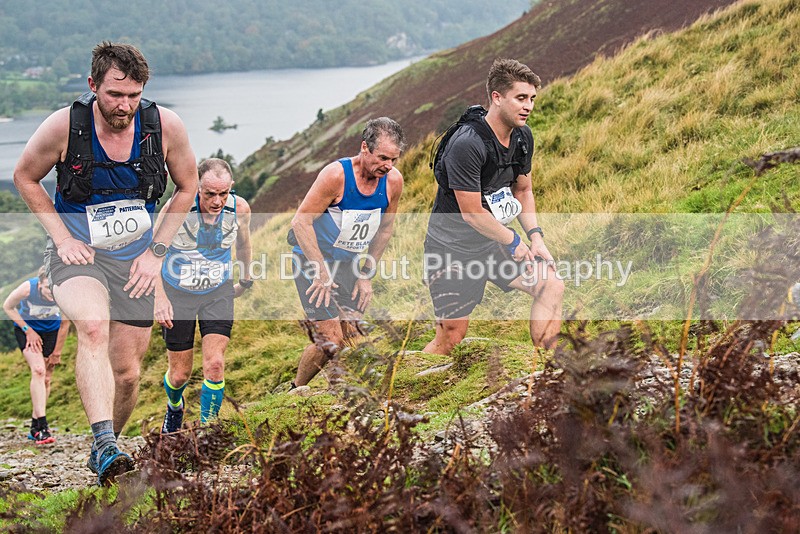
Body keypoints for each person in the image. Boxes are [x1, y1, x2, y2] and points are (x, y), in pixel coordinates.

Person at [13, 42, 198, 485]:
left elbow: (187, 187)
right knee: (92, 326)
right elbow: (25, 176)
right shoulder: (64, 127)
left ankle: (108, 450)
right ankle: (103, 443)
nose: (125, 105)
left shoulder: (164, 126)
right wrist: (60, 237)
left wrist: (156, 255)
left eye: (134, 95)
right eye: (115, 94)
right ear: (93, 85)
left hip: (136, 261)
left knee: (129, 375)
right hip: (79, 254)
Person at [423, 58, 564, 356]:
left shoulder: (522, 136)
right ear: (497, 98)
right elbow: (472, 212)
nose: (528, 106)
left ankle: (546, 369)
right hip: (453, 249)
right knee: (452, 336)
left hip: (493, 240)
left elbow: (523, 189)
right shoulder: (467, 144)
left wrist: (536, 238)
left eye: (532, 99)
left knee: (551, 285)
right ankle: (410, 388)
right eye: (521, 98)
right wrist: (514, 241)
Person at [289, 117, 405, 390]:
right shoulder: (336, 176)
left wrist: (366, 275)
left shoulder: (392, 182)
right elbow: (300, 222)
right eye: (382, 158)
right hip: (312, 259)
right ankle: (297, 389)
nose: (387, 166)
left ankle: (336, 390)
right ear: (365, 148)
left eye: (394, 160)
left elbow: (385, 230)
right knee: (331, 339)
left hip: (349, 262)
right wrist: (321, 271)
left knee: (351, 333)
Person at [154, 158, 252, 433]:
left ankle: (208, 431)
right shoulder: (177, 210)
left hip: (217, 292)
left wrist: (245, 280)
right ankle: (175, 407)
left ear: (231, 187)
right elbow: (153, 257)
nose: (218, 201)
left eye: (224, 193)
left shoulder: (239, 208)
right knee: (179, 375)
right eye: (210, 194)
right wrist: (159, 299)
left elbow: (244, 244)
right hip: (178, 294)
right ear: (197, 188)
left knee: (216, 364)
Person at [3, 267, 71, 445]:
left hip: (51, 333)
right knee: (39, 371)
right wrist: (28, 330)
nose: (51, 293)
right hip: (27, 331)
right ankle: (42, 427)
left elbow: (65, 324)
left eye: (54, 288)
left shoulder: (63, 294)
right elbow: (7, 307)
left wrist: (57, 352)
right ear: (40, 284)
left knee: (47, 379)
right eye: (48, 287)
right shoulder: (27, 288)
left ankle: (34, 426)